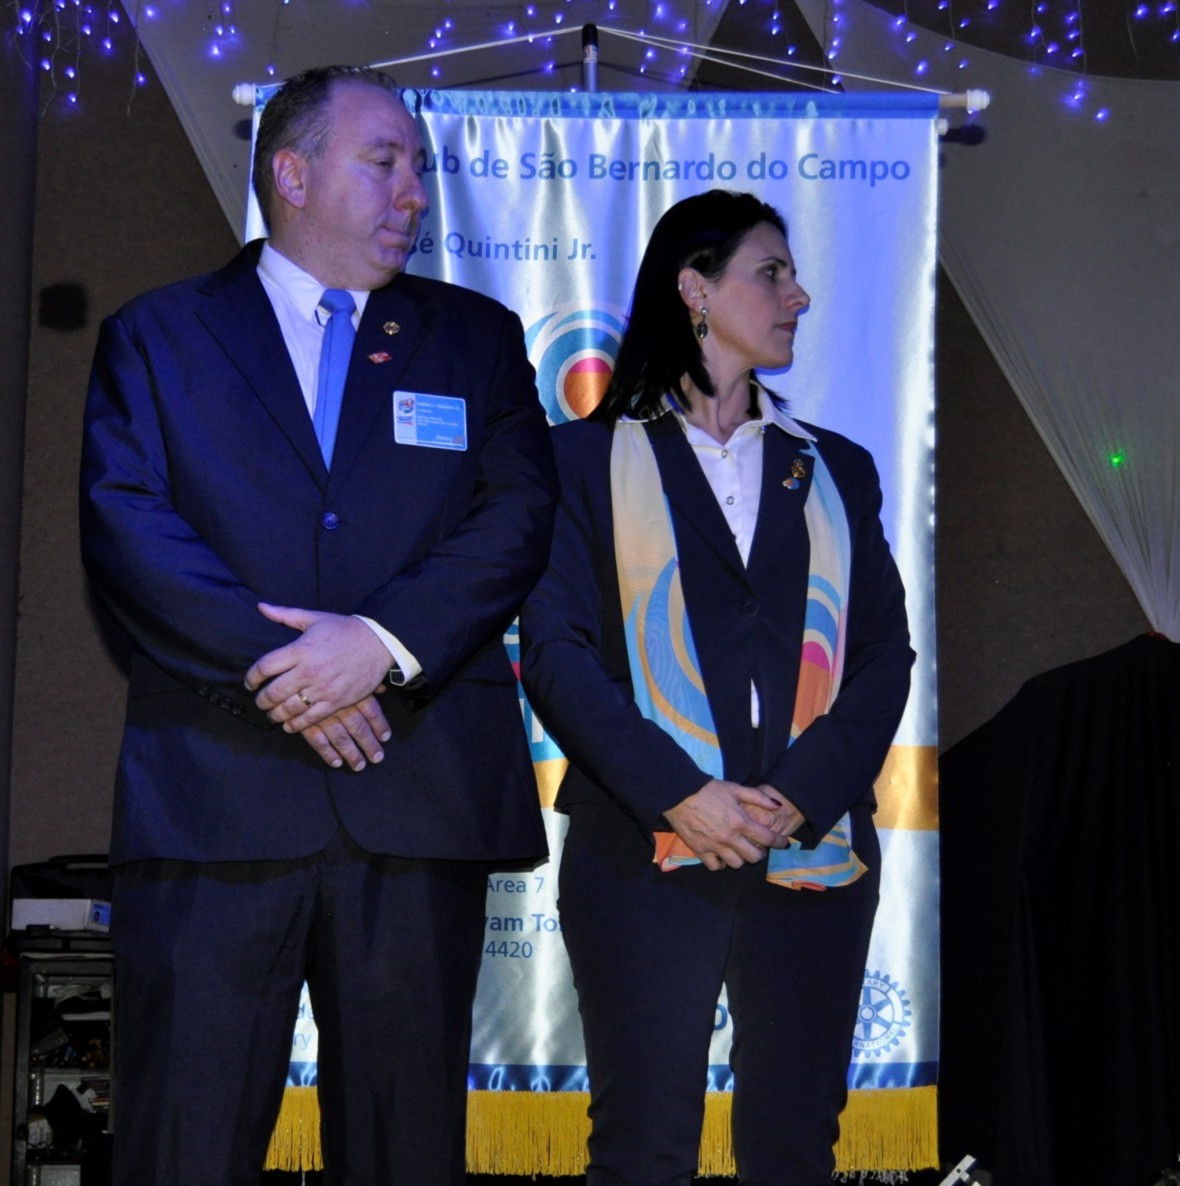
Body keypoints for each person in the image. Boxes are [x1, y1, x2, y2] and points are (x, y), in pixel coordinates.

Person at [80, 65, 557, 1186]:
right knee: (183, 1139)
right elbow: (128, 525)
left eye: (419, 168)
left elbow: (517, 516)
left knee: (406, 1145)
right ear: (291, 175)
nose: (414, 193)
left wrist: (376, 648)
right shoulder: (160, 335)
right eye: (383, 163)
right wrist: (291, 670)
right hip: (215, 795)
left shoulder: (475, 339)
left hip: (415, 790)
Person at [519, 190, 914, 1186]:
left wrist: (796, 796)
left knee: (793, 1150)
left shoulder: (836, 468)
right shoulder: (577, 462)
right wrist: (683, 795)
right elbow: (557, 655)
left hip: (811, 850)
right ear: (694, 289)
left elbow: (884, 655)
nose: (798, 296)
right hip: (641, 850)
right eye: (771, 274)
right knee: (642, 1150)